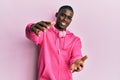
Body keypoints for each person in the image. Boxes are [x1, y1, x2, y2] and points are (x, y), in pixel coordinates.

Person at [25, 5, 88, 80]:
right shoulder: (45, 32)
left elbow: (76, 56)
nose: (65, 19)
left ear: (71, 20)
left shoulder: (75, 40)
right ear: (57, 14)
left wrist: (77, 63)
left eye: (69, 18)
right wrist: (31, 27)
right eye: (62, 15)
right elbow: (32, 35)